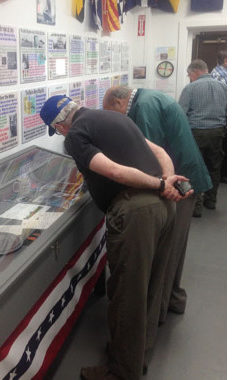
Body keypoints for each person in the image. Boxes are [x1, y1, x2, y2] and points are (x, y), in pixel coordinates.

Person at [40, 95, 192, 380]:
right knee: (150, 285)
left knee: (127, 293)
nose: (61, 134)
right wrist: (167, 182)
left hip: (137, 212)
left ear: (59, 126)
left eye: (57, 130)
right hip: (164, 209)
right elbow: (159, 151)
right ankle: (139, 355)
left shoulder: (75, 136)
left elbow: (113, 171)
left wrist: (161, 185)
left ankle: (122, 371)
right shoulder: (113, 116)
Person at [103, 86, 212, 324]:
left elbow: (148, 157)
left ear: (119, 102)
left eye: (112, 113)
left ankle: (159, 312)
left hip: (180, 184)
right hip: (183, 177)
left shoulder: (144, 107)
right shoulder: (148, 99)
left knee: (167, 253)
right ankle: (173, 299)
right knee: (175, 249)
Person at [179, 59, 226, 212]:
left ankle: (196, 206)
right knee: (214, 167)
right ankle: (211, 201)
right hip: (218, 132)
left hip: (196, 133)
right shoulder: (223, 87)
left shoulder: (190, 88)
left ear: (195, 72)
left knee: (195, 167)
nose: (189, 77)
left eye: (189, 75)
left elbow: (181, 113)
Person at [210, 50, 227, 182]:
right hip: (222, 118)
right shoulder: (220, 76)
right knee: (221, 150)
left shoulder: (217, 73)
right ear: (226, 61)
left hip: (220, 117)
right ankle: (222, 176)